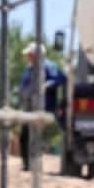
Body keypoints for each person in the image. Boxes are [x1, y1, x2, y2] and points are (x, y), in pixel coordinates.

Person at [17, 42, 67, 171]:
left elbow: (61, 79)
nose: (28, 57)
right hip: (29, 108)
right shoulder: (29, 69)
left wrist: (46, 85)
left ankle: (34, 163)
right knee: (24, 136)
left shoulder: (49, 66)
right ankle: (27, 164)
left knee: (35, 135)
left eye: (30, 55)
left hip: (43, 107)